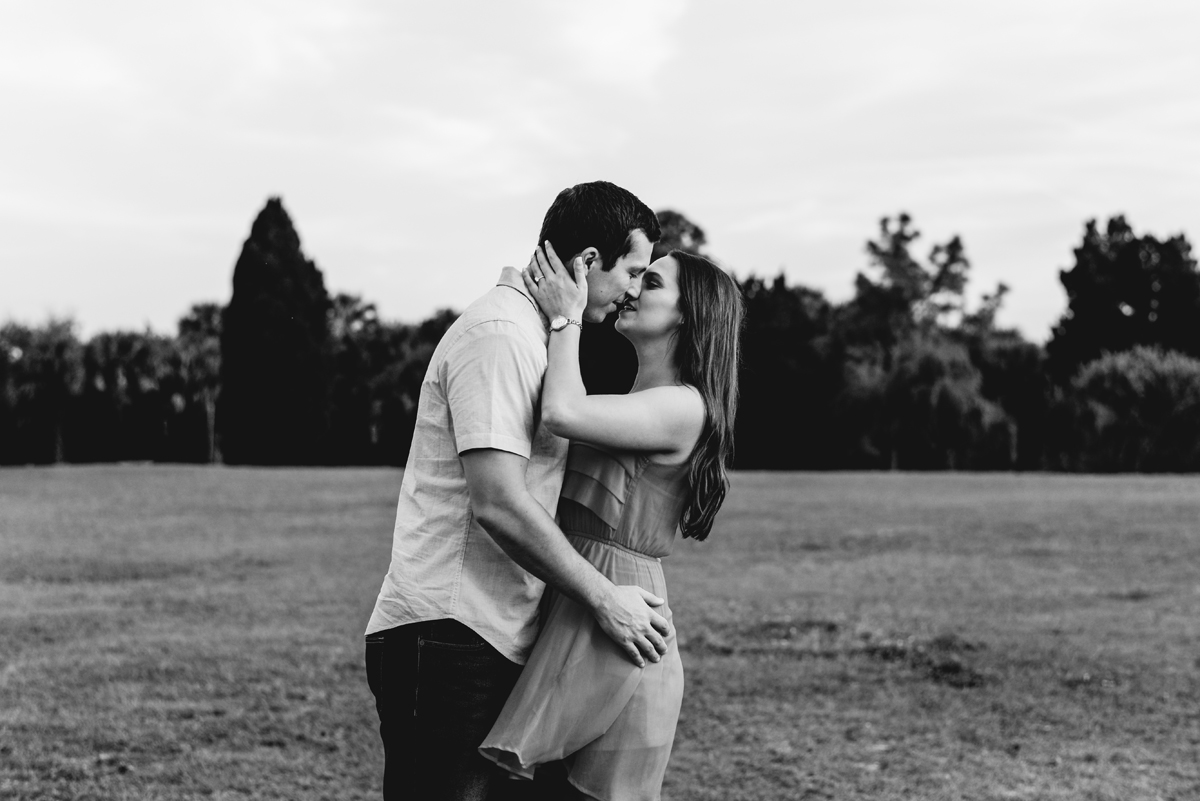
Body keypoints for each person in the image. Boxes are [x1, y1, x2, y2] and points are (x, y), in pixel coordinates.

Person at [363, 181, 670, 801]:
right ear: (588, 263)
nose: (635, 290)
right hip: (450, 633)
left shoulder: (540, 336)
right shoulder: (500, 335)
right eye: (633, 272)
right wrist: (606, 600)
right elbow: (499, 502)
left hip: (487, 633)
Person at [479, 242, 744, 800]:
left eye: (651, 284)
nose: (631, 289)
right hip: (583, 600)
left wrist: (565, 315)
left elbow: (561, 412)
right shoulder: (636, 398)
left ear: (688, 315)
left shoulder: (683, 406)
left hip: (623, 629)